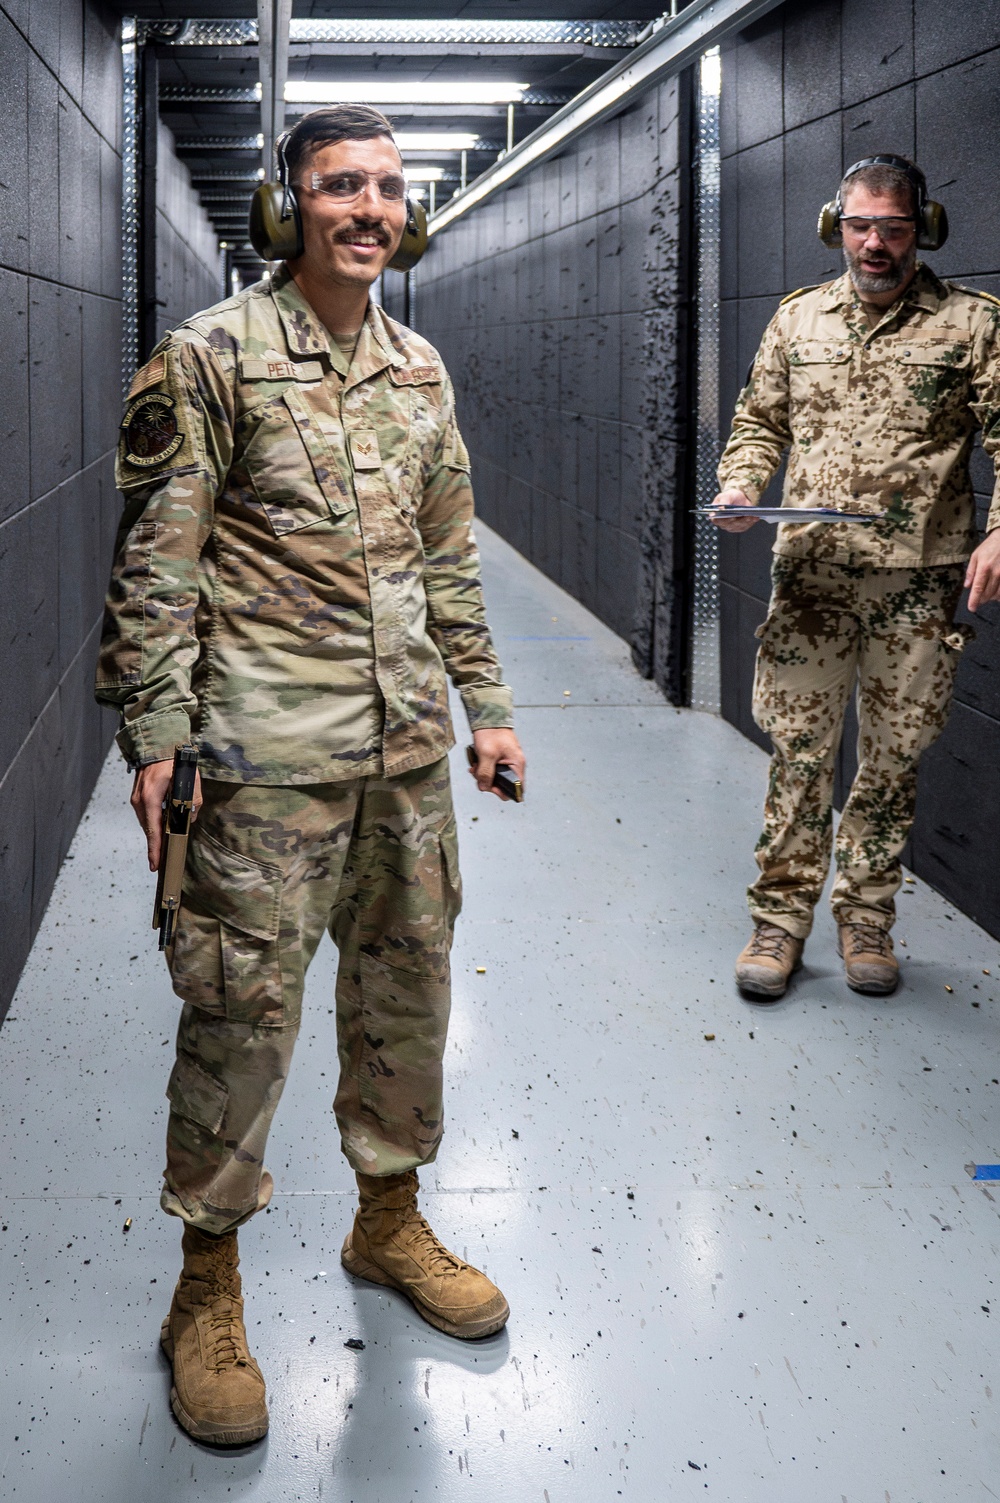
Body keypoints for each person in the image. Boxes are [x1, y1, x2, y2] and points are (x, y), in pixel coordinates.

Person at [95, 105, 525, 1446]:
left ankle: (388, 1222)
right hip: (261, 764)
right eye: (341, 185)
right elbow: (158, 564)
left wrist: (488, 706)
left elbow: (449, 556)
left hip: (403, 762)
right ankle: (205, 1290)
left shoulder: (419, 369)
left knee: (408, 998)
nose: (369, 208)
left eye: (389, 188)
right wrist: (157, 738)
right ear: (290, 209)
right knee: (242, 1018)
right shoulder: (211, 357)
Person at [712, 154, 1000, 1001]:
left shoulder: (974, 325)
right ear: (834, 225)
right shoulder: (799, 322)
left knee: (891, 757)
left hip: (917, 582)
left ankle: (867, 916)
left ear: (926, 228)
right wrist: (741, 484)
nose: (875, 244)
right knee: (799, 751)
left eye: (894, 228)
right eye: (860, 226)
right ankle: (780, 918)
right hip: (810, 577)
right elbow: (758, 420)